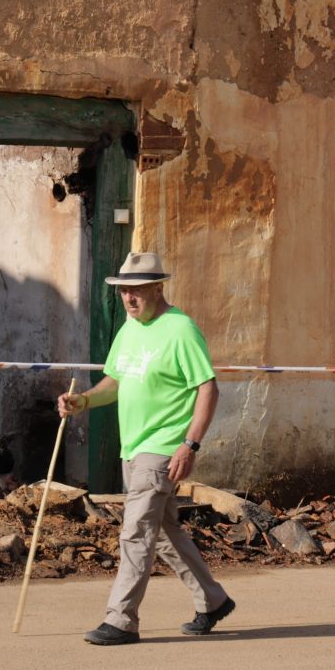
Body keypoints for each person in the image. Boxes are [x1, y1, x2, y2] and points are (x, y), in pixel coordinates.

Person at [58, 251, 235, 645]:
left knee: (136, 531)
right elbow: (115, 381)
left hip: (163, 447)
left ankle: (121, 620)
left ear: (158, 288)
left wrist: (189, 444)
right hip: (132, 447)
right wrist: (83, 401)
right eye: (124, 292)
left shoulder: (181, 329)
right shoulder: (129, 329)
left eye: (137, 291)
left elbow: (208, 388)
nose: (129, 299)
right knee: (164, 533)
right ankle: (213, 600)